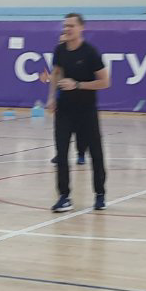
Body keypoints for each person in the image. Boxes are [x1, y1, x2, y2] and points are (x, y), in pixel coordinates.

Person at [47, 13, 109, 212]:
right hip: (64, 110)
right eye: (65, 25)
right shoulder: (59, 50)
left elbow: (105, 82)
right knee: (61, 154)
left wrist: (78, 85)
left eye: (71, 25)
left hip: (86, 111)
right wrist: (51, 97)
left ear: (81, 28)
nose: (67, 29)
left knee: (96, 153)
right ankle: (64, 196)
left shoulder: (90, 52)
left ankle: (100, 194)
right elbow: (56, 73)